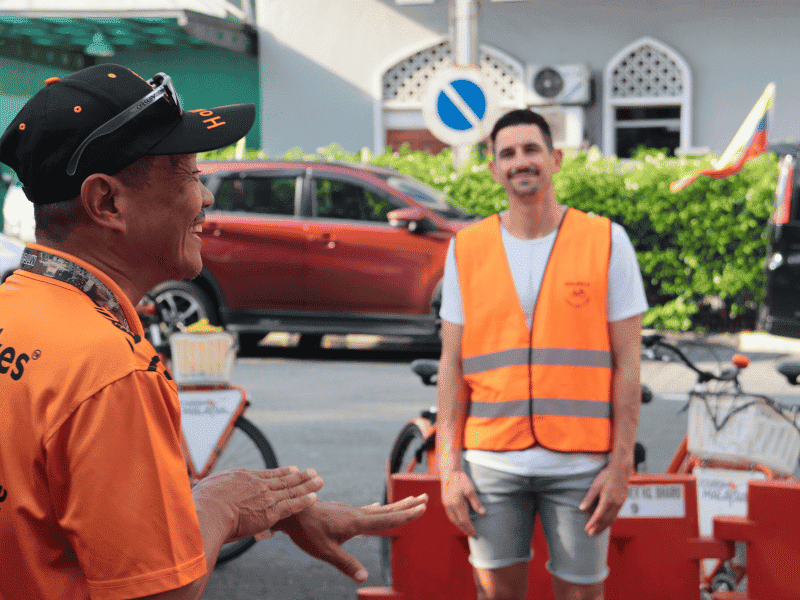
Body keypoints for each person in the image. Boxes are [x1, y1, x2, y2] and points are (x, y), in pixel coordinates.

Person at [0, 64, 426, 600]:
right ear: (108, 203)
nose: (207, 199)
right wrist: (222, 505)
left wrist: (256, 505)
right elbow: (160, 593)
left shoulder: (20, 313)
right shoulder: (108, 370)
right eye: (187, 175)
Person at [437, 109, 647, 600]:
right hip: (491, 463)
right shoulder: (466, 249)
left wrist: (620, 469)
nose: (519, 161)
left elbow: (629, 363)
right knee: (497, 595)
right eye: (506, 153)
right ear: (493, 169)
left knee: (581, 596)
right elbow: (451, 365)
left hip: (581, 467)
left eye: (531, 149)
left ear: (555, 159)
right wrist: (449, 468)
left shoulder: (606, 241)